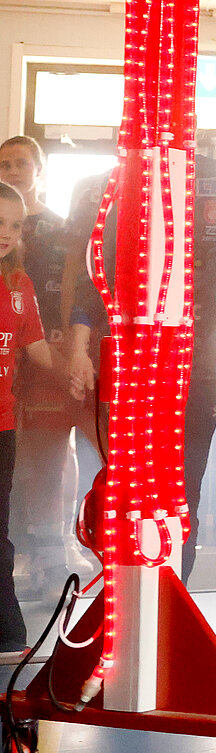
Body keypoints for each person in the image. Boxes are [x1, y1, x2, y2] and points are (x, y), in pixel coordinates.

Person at [65, 153, 216, 580]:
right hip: (130, 369)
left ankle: (174, 594)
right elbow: (96, 276)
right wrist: (78, 345)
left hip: (199, 366)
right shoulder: (117, 180)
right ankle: (126, 596)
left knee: (184, 493)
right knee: (123, 489)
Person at [0, 136, 81, 589]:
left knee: (48, 456)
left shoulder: (58, 232)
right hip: (12, 374)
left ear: (40, 169)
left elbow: (73, 290)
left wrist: (75, 360)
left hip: (43, 359)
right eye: (5, 164)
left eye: (22, 163)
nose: (13, 170)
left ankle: (52, 545)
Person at [0, 181, 58, 656]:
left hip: (2, 426)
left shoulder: (20, 285)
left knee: (0, 529)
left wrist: (81, 373)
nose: (6, 234)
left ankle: (7, 631)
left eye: (15, 226)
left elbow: (36, 349)